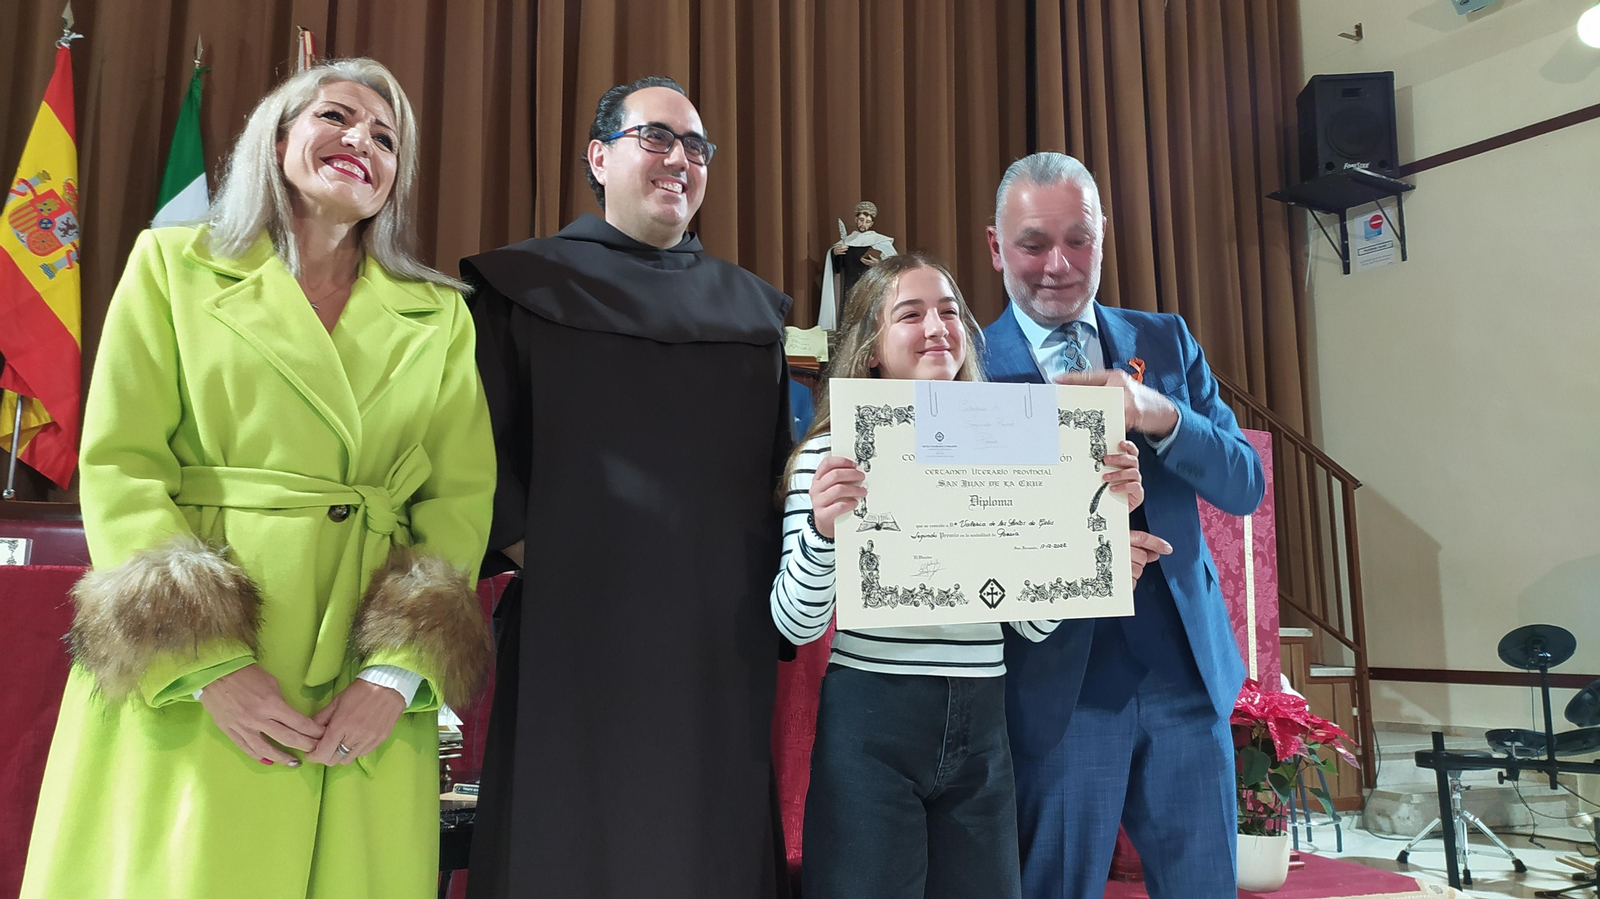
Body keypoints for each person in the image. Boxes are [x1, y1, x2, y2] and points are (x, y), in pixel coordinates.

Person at [21, 58, 496, 899]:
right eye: (337, 118)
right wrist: (205, 663)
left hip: (362, 689)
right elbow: (123, 464)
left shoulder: (440, 314)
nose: (363, 143)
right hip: (194, 671)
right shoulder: (174, 266)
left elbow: (458, 504)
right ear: (276, 142)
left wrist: (394, 675)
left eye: (387, 140)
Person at [463, 76, 794, 899]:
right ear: (599, 155)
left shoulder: (754, 313)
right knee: (567, 842)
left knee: (702, 851)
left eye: (696, 146)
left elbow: (779, 476)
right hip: (579, 633)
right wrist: (562, 558)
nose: (680, 158)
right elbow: (481, 458)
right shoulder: (519, 290)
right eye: (657, 137)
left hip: (717, 641)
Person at [772, 252, 1160, 899]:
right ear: (870, 347)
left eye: (950, 311)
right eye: (911, 313)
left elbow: (1031, 621)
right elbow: (796, 621)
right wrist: (819, 533)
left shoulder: (1009, 447)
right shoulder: (829, 453)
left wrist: (1094, 556)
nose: (937, 327)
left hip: (983, 727)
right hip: (873, 725)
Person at [981, 152, 1266, 899]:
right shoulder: (967, 367)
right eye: (1034, 243)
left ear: (1104, 238)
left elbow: (1244, 483)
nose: (1059, 265)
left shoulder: (1165, 341)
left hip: (1183, 676)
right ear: (995, 247)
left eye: (1079, 240)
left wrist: (1160, 415)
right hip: (1057, 688)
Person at [817, 200, 897, 329]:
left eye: (867, 221)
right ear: (856, 220)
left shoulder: (880, 241)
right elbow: (837, 268)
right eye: (861, 220)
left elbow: (893, 265)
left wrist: (879, 263)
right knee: (849, 316)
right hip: (849, 285)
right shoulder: (847, 241)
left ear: (872, 223)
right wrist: (834, 254)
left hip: (870, 284)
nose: (863, 224)